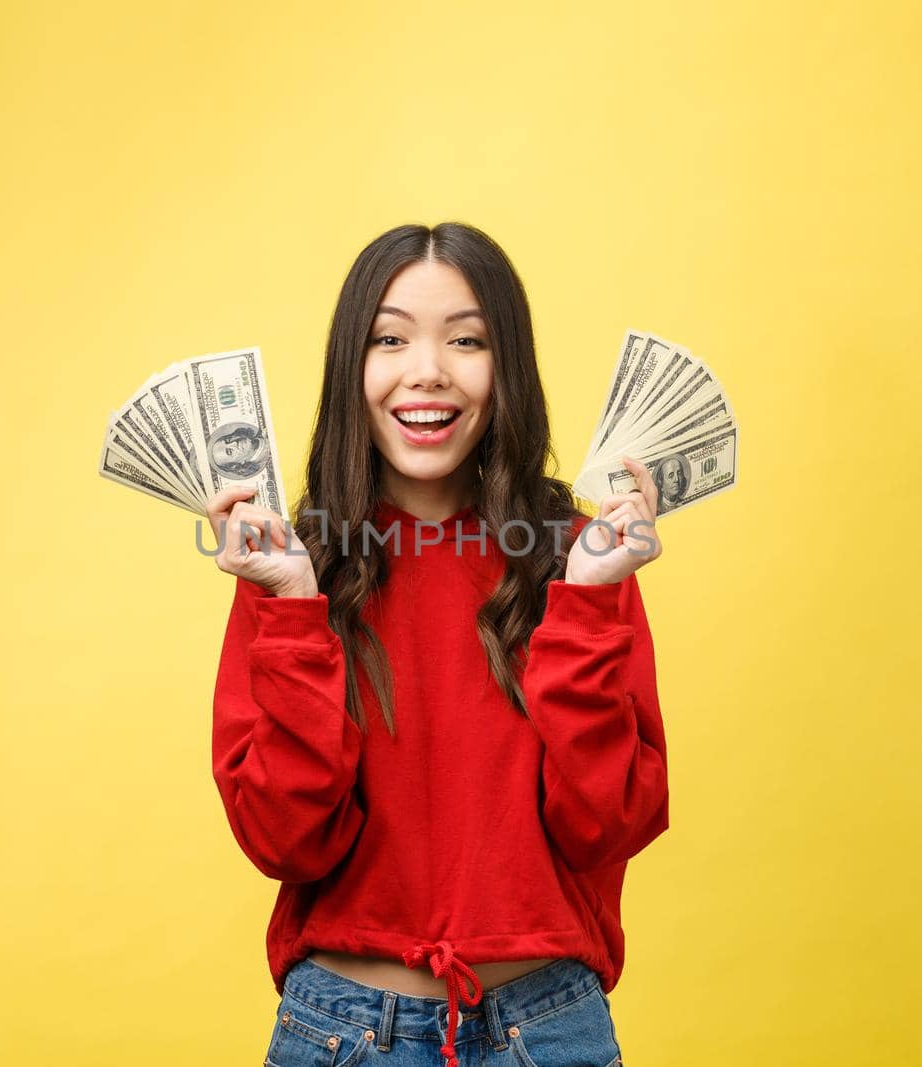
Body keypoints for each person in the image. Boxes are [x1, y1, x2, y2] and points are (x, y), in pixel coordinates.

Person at [205, 222, 669, 1067]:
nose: (428, 370)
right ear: (354, 367)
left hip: (548, 1028)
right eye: (390, 338)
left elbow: (609, 823)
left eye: (466, 340)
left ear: (508, 370)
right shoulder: (288, 563)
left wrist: (589, 602)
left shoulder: (580, 553)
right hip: (343, 1031)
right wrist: (298, 607)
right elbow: (283, 840)